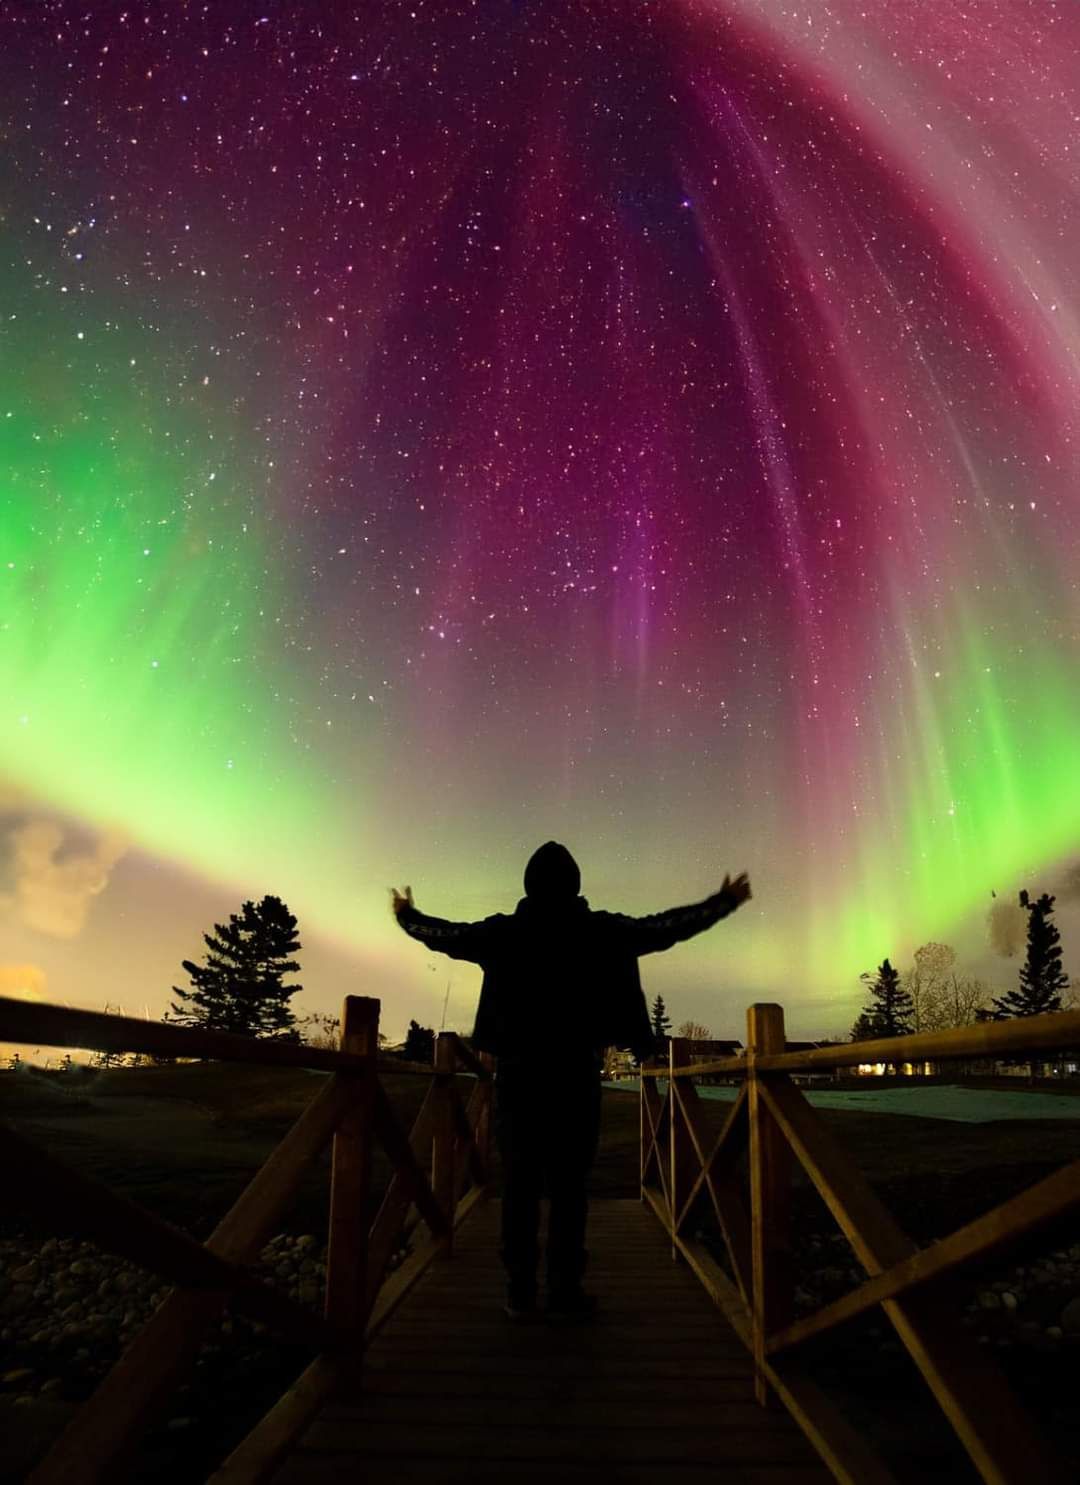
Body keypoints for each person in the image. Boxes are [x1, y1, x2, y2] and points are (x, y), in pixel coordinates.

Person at [390, 841, 751, 1321]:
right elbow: (665, 928)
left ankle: (519, 1291)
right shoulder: (603, 931)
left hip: (517, 1078)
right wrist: (721, 903)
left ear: (528, 885)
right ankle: (563, 1291)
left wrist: (406, 914)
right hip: (576, 1077)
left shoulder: (504, 934)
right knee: (568, 1188)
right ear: (576, 884)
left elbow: (444, 935)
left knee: (519, 1186)